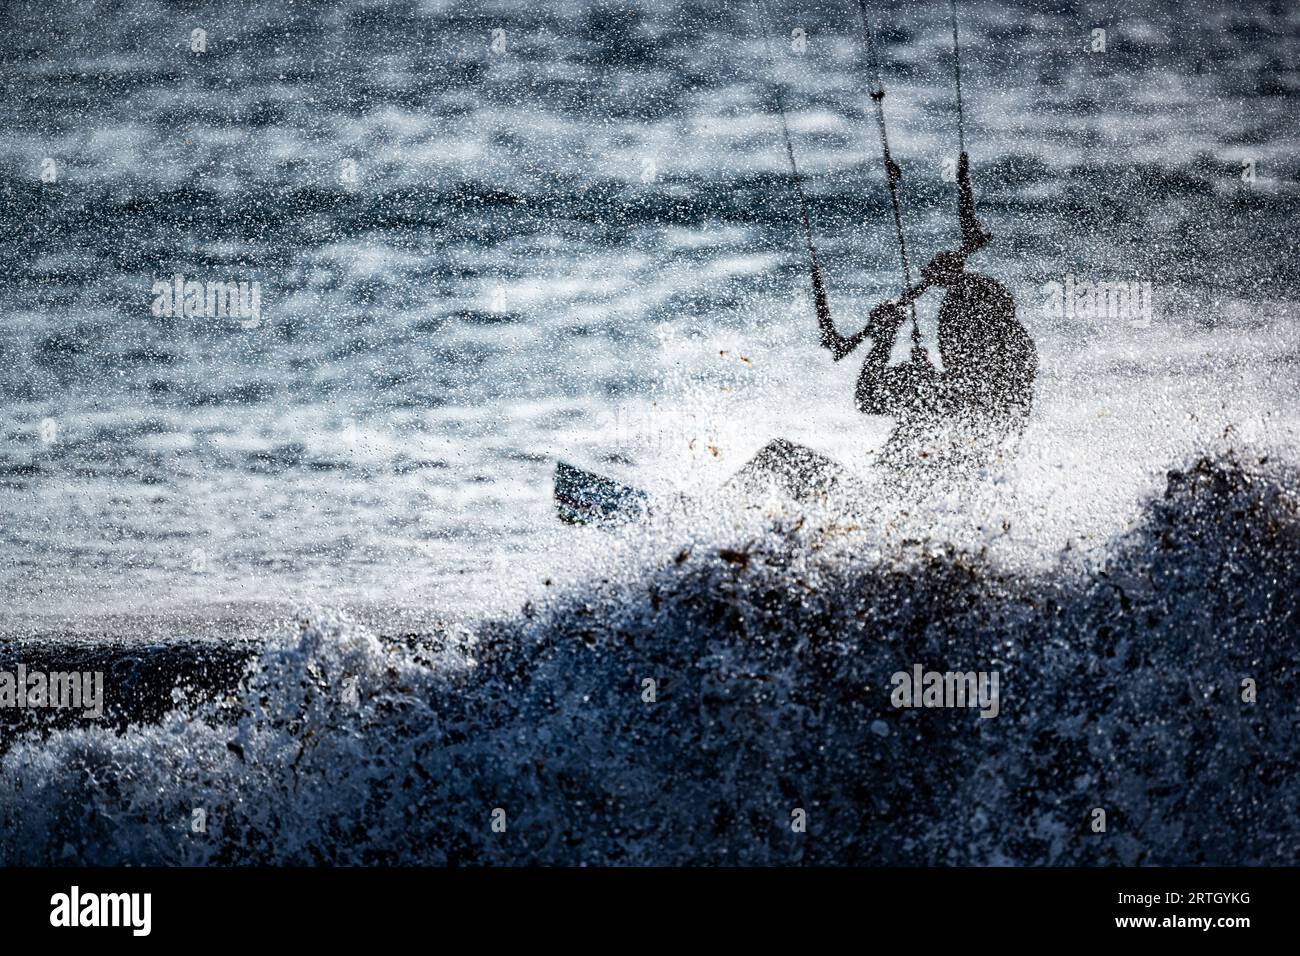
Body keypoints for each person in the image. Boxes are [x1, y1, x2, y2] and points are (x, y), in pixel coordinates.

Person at [817, 153, 1036, 478]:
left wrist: (885, 341)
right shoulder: (1007, 386)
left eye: (951, 331)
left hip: (895, 505)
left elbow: (868, 398)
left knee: (776, 458)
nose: (946, 340)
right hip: (940, 502)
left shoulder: (952, 390)